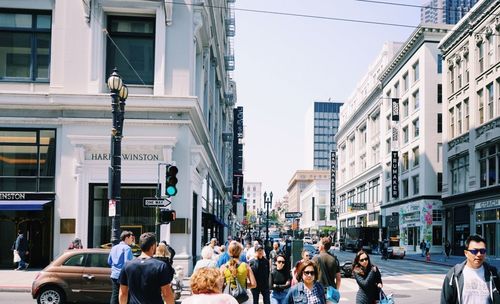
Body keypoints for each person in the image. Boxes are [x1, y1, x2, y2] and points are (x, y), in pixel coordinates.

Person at [441, 234, 500, 304]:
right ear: (466, 253)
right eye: (474, 251)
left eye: (482, 251)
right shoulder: (454, 275)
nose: (479, 254)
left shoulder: (494, 273)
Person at [119, 232, 174, 304]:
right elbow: (167, 294)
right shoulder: (160, 266)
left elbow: (123, 293)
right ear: (153, 246)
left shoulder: (127, 265)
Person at [108, 230, 134, 304]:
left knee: (115, 295)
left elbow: (109, 261)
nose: (132, 240)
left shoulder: (114, 247)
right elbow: (128, 263)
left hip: (114, 275)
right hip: (123, 275)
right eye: (131, 238)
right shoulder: (127, 248)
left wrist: (115, 267)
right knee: (125, 295)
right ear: (126, 238)